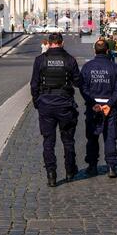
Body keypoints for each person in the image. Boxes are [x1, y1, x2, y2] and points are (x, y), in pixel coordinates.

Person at [30, 33, 81, 187]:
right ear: (62, 43)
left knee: (48, 142)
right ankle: (70, 171)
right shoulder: (70, 60)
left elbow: (34, 84)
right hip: (64, 104)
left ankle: (51, 174)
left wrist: (37, 101)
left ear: (49, 43)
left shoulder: (40, 60)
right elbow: (78, 82)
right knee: (68, 140)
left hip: (46, 103)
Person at [80, 39, 117, 178]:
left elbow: (83, 88)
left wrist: (93, 103)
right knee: (110, 137)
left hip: (93, 107)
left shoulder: (87, 67)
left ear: (94, 51)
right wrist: (109, 104)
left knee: (92, 137)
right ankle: (111, 166)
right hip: (109, 108)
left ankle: (92, 166)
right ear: (107, 51)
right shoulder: (114, 67)